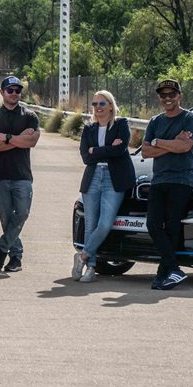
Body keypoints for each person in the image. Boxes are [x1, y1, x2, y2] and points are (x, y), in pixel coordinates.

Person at [73, 89, 136, 283]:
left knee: (105, 223)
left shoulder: (121, 124)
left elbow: (120, 150)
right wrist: (106, 150)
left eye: (102, 104)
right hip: (93, 177)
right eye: (94, 104)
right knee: (91, 224)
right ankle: (91, 268)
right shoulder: (89, 128)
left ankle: (82, 256)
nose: (98, 108)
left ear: (110, 105)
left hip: (113, 178)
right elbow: (86, 156)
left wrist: (97, 151)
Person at [141, 79, 193, 290]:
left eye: (171, 95)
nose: (167, 99)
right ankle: (173, 269)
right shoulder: (155, 121)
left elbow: (185, 147)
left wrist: (158, 142)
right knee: (153, 224)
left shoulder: (190, 119)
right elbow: (145, 152)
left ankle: (163, 273)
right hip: (159, 178)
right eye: (163, 95)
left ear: (180, 96)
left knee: (172, 226)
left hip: (181, 179)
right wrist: (172, 142)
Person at [0, 75, 40, 273]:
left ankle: (3, 246)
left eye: (17, 90)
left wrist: (6, 138)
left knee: (22, 213)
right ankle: (16, 256)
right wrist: (17, 140)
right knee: (7, 218)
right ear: (2, 92)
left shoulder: (30, 116)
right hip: (0, 175)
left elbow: (31, 142)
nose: (14, 93)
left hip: (23, 175)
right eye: (10, 90)